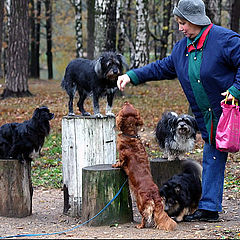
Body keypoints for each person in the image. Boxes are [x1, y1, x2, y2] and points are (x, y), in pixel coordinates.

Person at [117, 0, 240, 222]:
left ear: (196, 21)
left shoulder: (225, 40)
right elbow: (161, 67)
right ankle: (210, 208)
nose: (180, 28)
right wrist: (132, 76)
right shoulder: (182, 49)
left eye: (183, 23)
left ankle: (210, 205)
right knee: (212, 154)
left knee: (213, 154)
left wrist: (236, 89)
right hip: (212, 118)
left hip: (235, 112)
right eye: (178, 23)